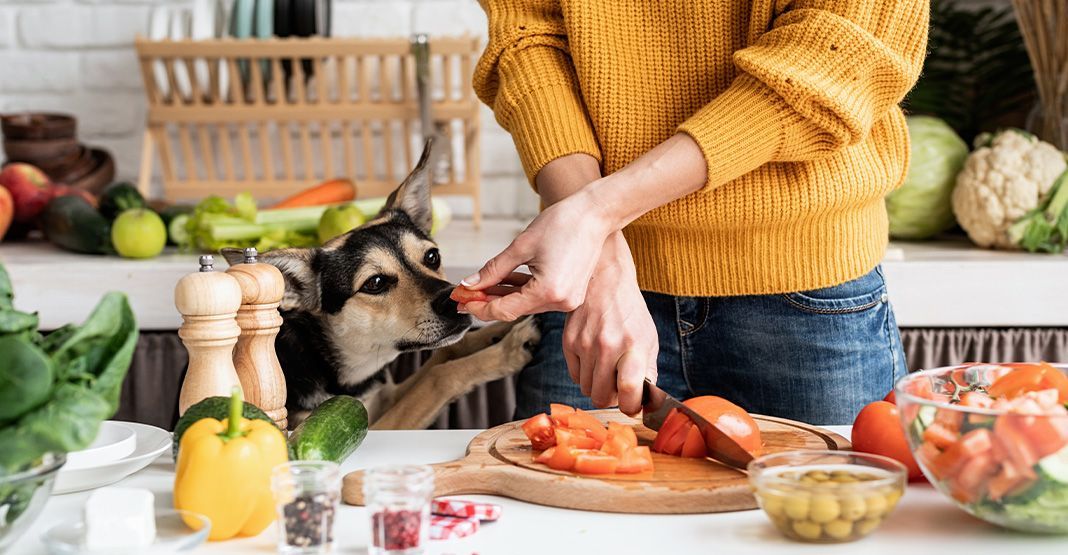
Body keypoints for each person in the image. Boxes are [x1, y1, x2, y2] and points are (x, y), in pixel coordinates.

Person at [460, 0, 929, 425]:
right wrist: (600, 256)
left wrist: (595, 216)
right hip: (589, 291)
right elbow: (527, 35)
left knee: (826, 510)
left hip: (805, 293)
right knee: (556, 511)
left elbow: (838, 56)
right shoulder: (594, 256)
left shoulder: (592, 221)